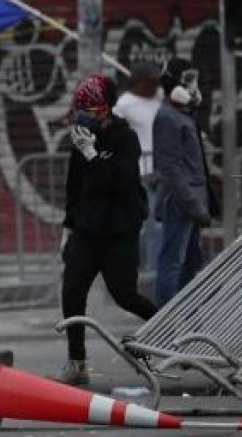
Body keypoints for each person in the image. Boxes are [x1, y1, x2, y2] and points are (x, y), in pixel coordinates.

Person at [59, 74, 158, 386]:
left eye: (89, 109)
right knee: (72, 291)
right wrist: (68, 227)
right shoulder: (80, 136)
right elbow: (74, 186)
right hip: (87, 230)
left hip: (119, 229)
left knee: (124, 295)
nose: (83, 116)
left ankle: (171, 335)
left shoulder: (125, 138)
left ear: (104, 109)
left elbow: (121, 182)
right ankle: (77, 362)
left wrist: (93, 156)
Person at [153, 58, 214, 305]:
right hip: (180, 202)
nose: (193, 86)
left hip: (191, 201)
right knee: (172, 264)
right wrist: (192, 203)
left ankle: (188, 320)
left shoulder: (183, 116)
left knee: (191, 262)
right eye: (188, 80)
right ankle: (163, 324)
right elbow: (171, 168)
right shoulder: (168, 117)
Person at [112, 63, 164, 274]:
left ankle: (155, 268)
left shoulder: (159, 97)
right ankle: (151, 271)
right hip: (141, 172)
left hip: (162, 171)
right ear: (139, 83)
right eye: (150, 83)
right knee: (151, 224)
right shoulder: (124, 104)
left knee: (160, 223)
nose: (155, 87)